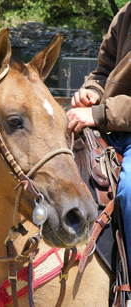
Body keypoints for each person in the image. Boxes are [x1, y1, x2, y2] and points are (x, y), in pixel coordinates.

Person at [67, 1, 131, 280]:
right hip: (110, 124)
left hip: (115, 122)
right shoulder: (125, 15)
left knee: (129, 192)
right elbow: (103, 71)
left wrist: (99, 113)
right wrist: (91, 91)